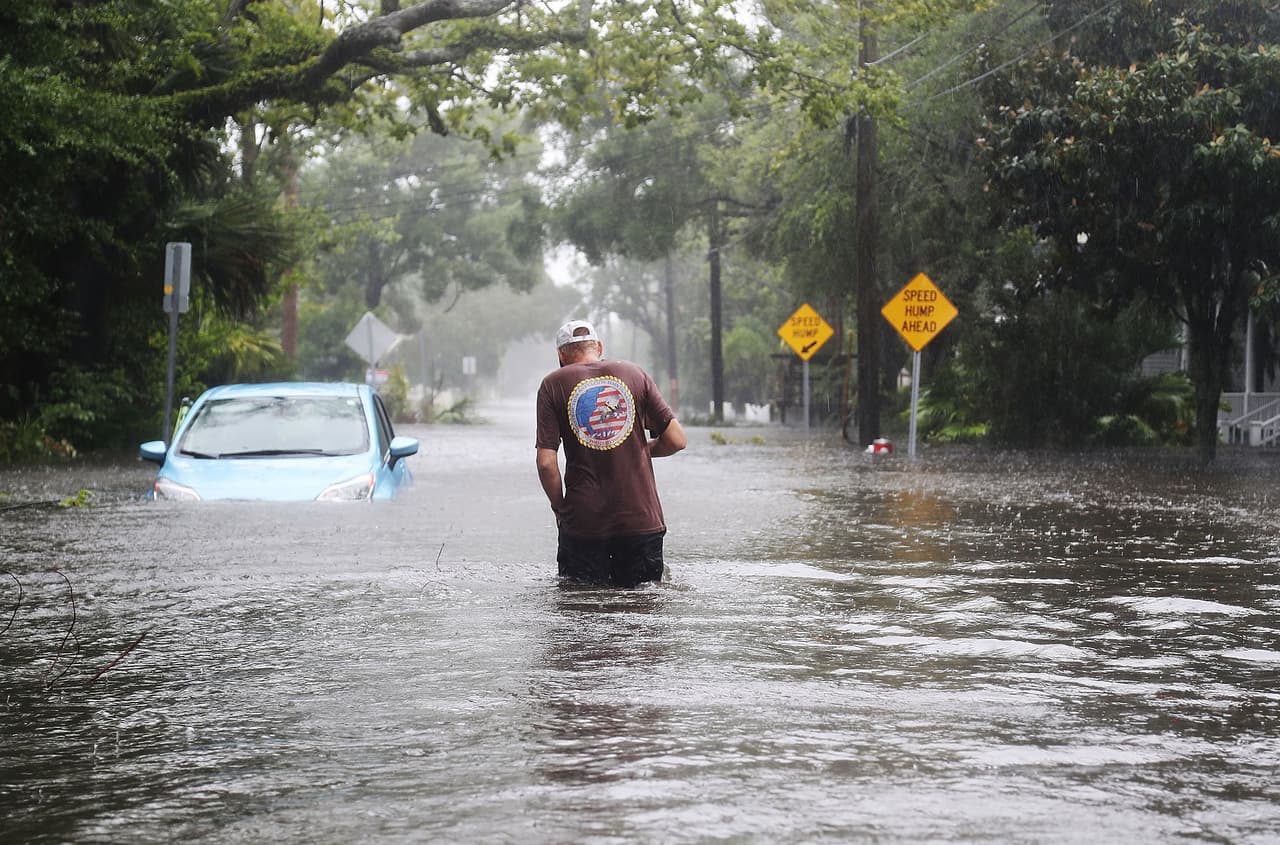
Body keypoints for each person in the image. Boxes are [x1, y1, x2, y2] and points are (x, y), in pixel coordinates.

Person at [535, 319, 688, 587]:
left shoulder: (553, 384)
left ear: (561, 354)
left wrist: (560, 509)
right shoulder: (634, 374)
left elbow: (546, 463)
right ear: (599, 346)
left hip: (583, 524)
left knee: (580, 613)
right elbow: (676, 440)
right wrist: (636, 451)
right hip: (641, 521)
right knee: (642, 613)